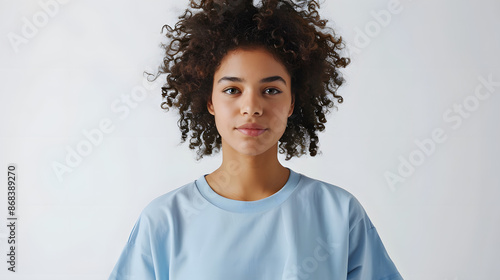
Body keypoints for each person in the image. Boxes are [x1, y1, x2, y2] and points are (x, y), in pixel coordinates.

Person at [108, 0, 403, 279]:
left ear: (292, 102)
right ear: (209, 101)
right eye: (232, 90)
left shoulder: (339, 215)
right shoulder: (164, 221)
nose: (252, 107)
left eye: (271, 90)